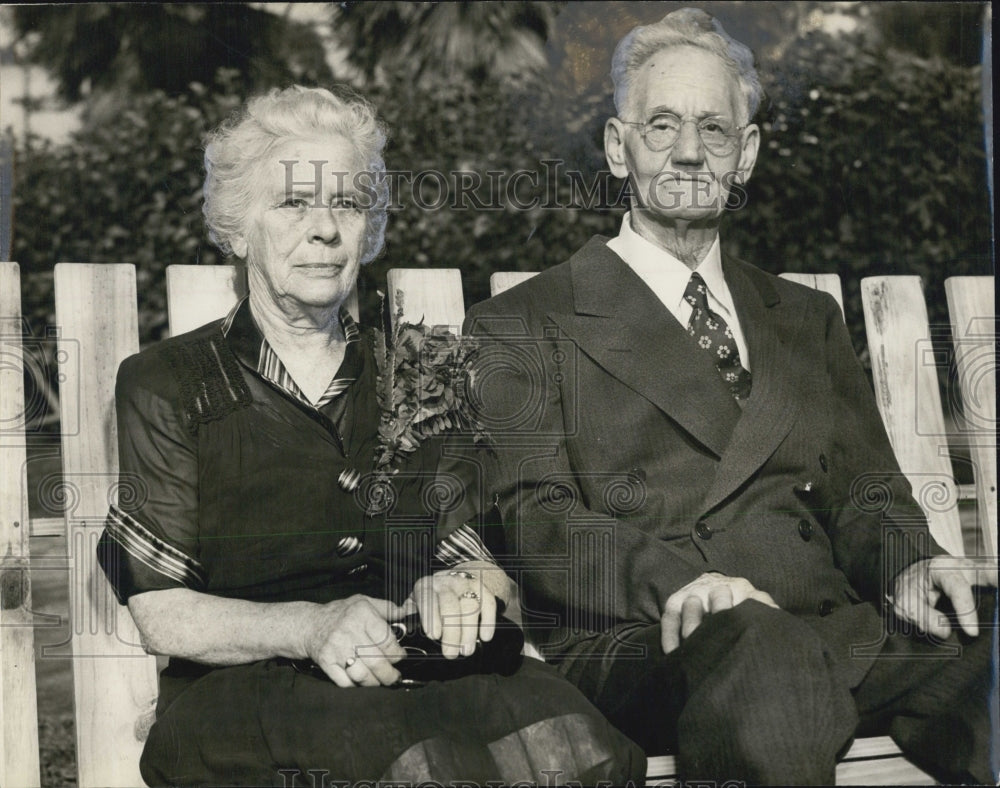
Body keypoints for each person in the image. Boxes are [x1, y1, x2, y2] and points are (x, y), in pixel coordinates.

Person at [461, 9, 997, 785]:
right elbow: (539, 522)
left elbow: (866, 494)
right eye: (662, 125)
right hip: (651, 641)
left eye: (714, 130)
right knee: (760, 649)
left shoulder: (803, 319)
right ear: (619, 148)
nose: (687, 151)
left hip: (829, 635)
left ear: (745, 156)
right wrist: (685, 586)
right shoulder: (524, 323)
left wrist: (914, 563)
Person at [95, 85, 645, 787]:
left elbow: (482, 568)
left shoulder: (418, 371)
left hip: (419, 679)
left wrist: (465, 592)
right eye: (294, 203)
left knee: (578, 749)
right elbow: (162, 616)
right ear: (237, 229)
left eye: (348, 205)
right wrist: (313, 627)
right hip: (245, 700)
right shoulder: (168, 382)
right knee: (423, 768)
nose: (325, 229)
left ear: (370, 230)